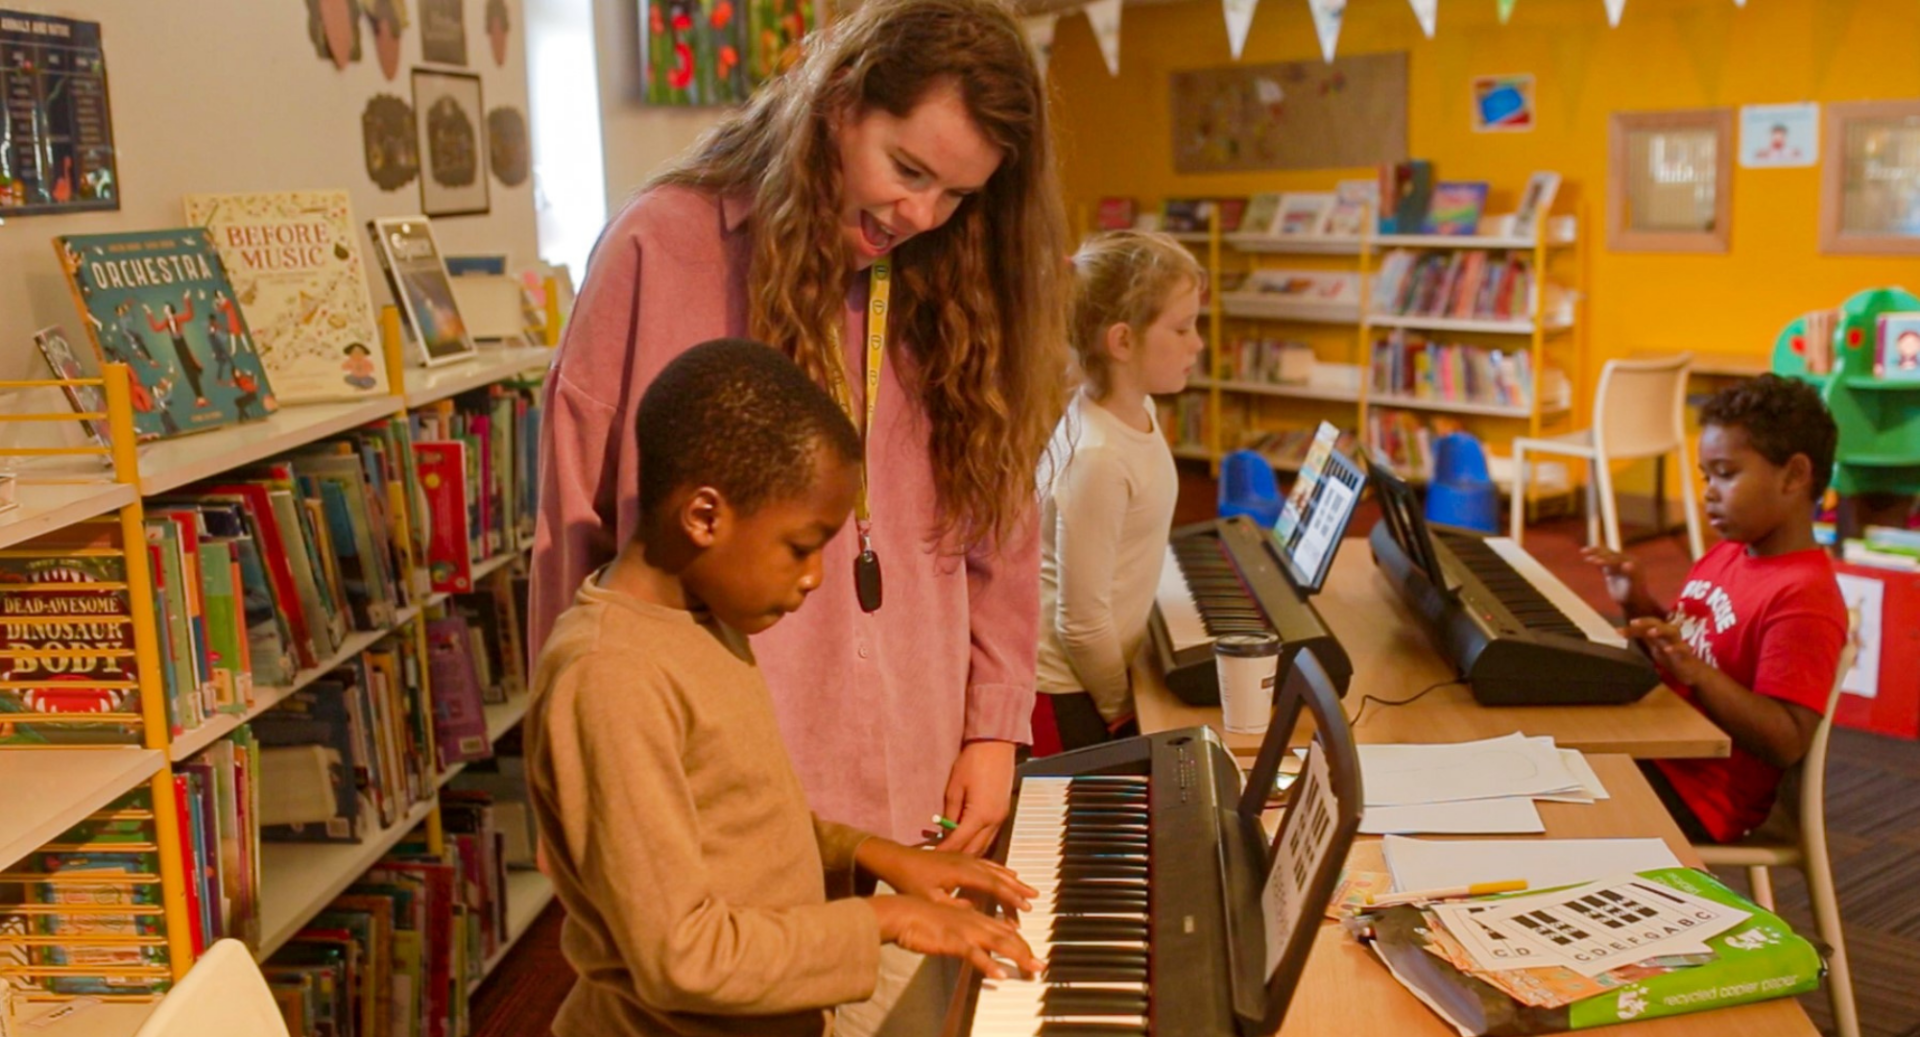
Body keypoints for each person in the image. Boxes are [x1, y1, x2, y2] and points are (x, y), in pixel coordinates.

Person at [533, 0, 1063, 1010]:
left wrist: (995, 725)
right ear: (838, 104)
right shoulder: (663, 245)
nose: (920, 216)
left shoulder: (957, 272)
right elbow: (574, 536)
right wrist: (577, 789)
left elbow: (1003, 515)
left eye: (958, 194)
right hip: (716, 807)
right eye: (907, 170)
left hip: (912, 785)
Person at [528, 339, 1044, 1037]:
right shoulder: (609, 676)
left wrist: (870, 853)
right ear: (705, 517)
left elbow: (733, 824)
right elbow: (681, 956)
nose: (814, 577)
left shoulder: (700, 620)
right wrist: (883, 919)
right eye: (801, 547)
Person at [1584, 374, 1846, 843]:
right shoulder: (1728, 553)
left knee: (1547, 796)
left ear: (1794, 475)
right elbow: (1690, 654)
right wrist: (1638, 604)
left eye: (1726, 474)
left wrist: (1699, 675)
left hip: (1701, 799)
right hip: (1659, 748)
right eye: (1707, 476)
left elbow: (1787, 739)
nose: (1708, 492)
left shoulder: (1803, 596)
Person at [1033, 231, 1204, 753]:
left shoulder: (1137, 412)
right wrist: (1123, 709)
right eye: (1181, 328)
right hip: (1069, 694)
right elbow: (1080, 623)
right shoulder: (1099, 457)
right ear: (1122, 341)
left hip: (1101, 676)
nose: (1197, 344)